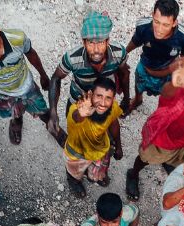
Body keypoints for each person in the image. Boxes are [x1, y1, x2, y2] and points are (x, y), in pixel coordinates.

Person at [125, 60, 184, 202]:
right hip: (161, 139)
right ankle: (133, 174)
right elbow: (165, 91)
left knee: (178, 162)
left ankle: (167, 162)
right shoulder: (175, 94)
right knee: (145, 159)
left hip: (183, 141)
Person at [0, 7, 57, 146]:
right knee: (14, 112)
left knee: (41, 109)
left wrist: (43, 75)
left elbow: (31, 54)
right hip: (1, 92)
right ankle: (17, 120)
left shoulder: (17, 39)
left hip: (26, 86)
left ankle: (50, 123)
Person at [47, 10, 130, 145]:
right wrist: (53, 112)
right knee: (77, 130)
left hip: (104, 100)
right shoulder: (73, 58)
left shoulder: (119, 53)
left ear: (108, 41)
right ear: (84, 42)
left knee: (103, 129)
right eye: (91, 43)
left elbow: (124, 74)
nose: (96, 49)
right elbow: (56, 78)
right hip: (78, 100)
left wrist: (126, 99)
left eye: (101, 42)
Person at [123, 0, 184, 115]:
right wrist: (123, 54)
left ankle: (163, 112)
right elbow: (135, 41)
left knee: (167, 97)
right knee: (138, 84)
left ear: (175, 22)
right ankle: (137, 100)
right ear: (152, 15)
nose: (159, 29)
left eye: (166, 25)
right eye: (156, 22)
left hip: (167, 71)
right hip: (145, 65)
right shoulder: (143, 26)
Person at [63, 77, 123, 197]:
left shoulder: (113, 107)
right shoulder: (76, 109)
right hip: (78, 154)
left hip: (100, 150)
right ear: (90, 94)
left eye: (108, 98)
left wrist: (119, 145)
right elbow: (75, 117)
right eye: (99, 96)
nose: (102, 103)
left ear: (113, 99)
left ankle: (94, 175)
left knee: (98, 170)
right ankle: (73, 180)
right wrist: (81, 113)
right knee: (74, 172)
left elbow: (114, 123)